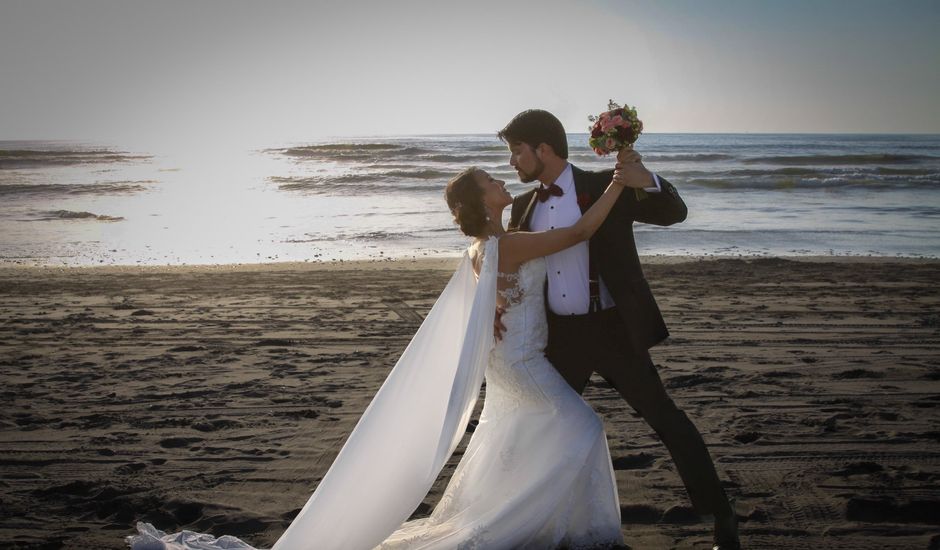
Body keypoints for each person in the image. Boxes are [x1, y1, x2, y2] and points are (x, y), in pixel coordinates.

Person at [128, 154, 651, 549]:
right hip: (522, 364)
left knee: (518, 442)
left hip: (507, 364)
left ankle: (536, 517)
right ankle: (524, 525)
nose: (500, 183)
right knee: (583, 428)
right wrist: (616, 182)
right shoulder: (507, 246)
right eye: (491, 182)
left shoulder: (486, 247)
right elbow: (582, 229)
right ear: (483, 201)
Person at [498, 109, 740, 550]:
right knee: (544, 431)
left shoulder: (603, 185)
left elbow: (674, 213)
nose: (512, 162)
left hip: (613, 331)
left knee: (667, 421)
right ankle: (537, 525)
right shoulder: (521, 207)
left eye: (516, 151)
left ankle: (721, 516)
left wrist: (645, 178)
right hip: (560, 341)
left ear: (543, 149)